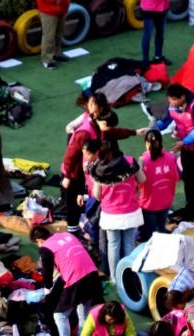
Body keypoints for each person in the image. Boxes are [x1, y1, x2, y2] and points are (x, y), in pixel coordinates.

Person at [149, 84, 194, 224]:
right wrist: (153, 129)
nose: (171, 103)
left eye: (174, 100)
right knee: (188, 178)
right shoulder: (173, 104)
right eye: (170, 100)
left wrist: (184, 142)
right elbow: (166, 120)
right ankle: (191, 209)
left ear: (183, 97)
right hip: (187, 147)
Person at [31, 227, 101, 336]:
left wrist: (47, 289)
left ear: (39, 240)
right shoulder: (68, 235)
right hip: (93, 275)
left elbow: (47, 271)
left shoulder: (45, 248)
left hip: (76, 279)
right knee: (83, 313)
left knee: (60, 315)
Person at [91, 139, 144, 279]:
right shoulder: (130, 161)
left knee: (113, 245)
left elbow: (97, 195)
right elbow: (142, 179)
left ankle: (115, 278)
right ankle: (129, 277)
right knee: (129, 244)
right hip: (131, 211)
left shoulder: (98, 168)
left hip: (111, 214)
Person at [62, 93, 108, 237]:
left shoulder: (99, 122)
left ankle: (83, 222)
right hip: (75, 170)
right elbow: (70, 155)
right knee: (73, 200)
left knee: (83, 196)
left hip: (86, 167)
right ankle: (73, 230)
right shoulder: (84, 132)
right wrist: (67, 176)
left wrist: (133, 132)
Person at [138, 129, 180, 239]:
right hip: (166, 202)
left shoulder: (143, 161)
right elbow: (175, 178)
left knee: (151, 235)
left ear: (147, 143)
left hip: (149, 204)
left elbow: (139, 181)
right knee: (161, 229)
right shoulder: (170, 158)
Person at [38, 0, 69, 69]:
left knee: (59, 33)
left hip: (62, 7)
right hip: (48, 8)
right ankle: (47, 59)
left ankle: (56, 54)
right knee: (49, 36)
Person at [139, 0, 169, 69]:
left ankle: (157, 57)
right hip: (150, 7)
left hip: (161, 6)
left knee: (159, 32)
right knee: (148, 34)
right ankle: (146, 61)